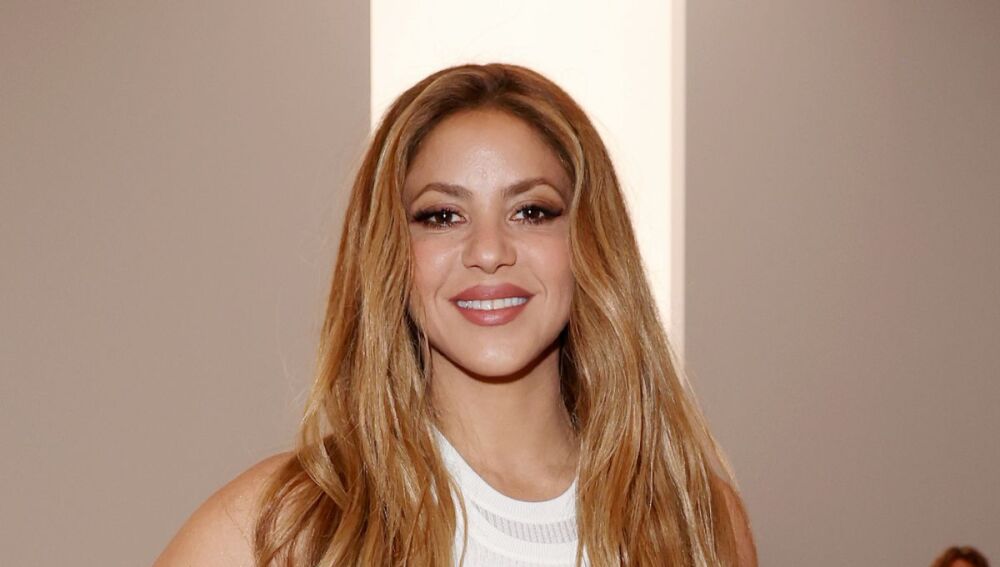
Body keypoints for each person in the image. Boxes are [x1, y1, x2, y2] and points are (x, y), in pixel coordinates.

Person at [153, 62, 756, 566]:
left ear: (591, 241)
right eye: (442, 216)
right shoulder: (288, 525)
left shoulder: (696, 520)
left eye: (532, 211)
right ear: (389, 251)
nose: (489, 251)